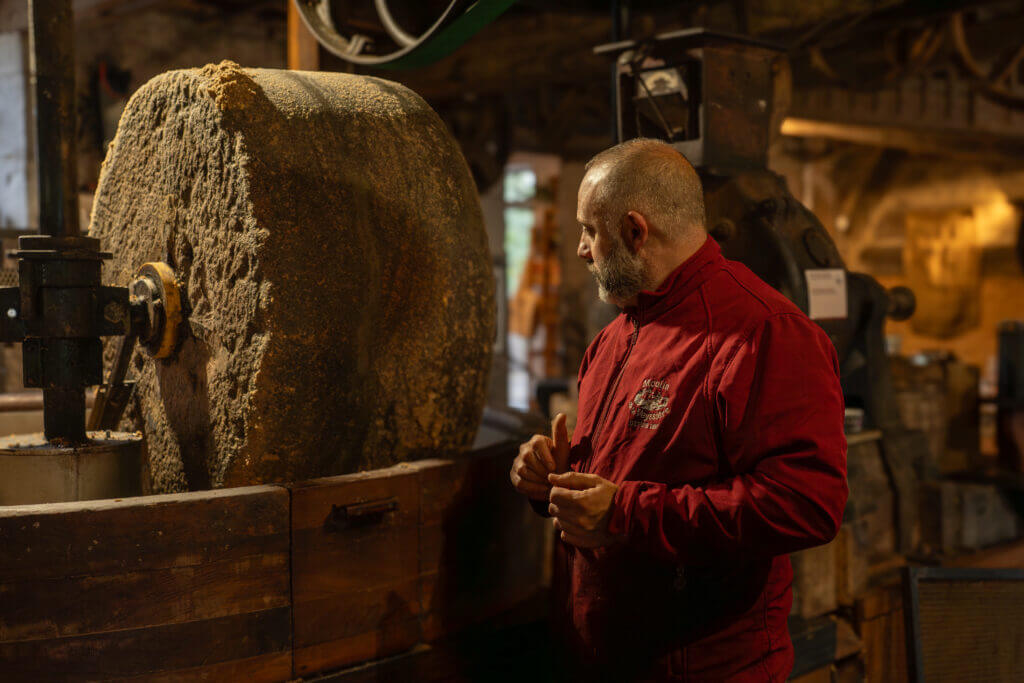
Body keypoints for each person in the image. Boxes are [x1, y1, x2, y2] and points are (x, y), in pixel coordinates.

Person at [510, 138, 848, 682]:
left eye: (589, 230)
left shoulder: (764, 333)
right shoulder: (616, 338)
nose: (581, 249)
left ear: (635, 232)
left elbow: (806, 503)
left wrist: (624, 513)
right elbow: (623, 480)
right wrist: (552, 479)